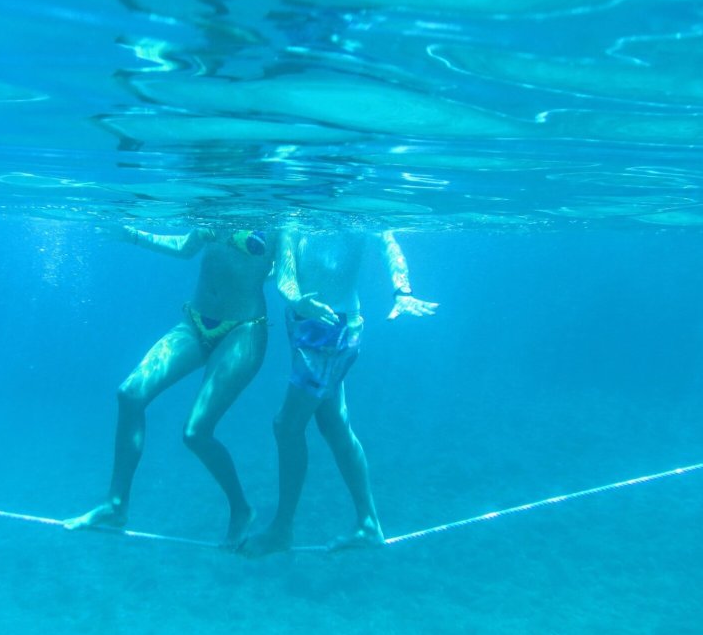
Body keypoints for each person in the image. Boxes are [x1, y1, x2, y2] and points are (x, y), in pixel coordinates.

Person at [65, 225, 274, 549]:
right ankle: (116, 505)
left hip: (244, 329)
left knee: (196, 432)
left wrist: (302, 300)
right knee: (130, 393)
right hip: (194, 320)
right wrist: (131, 235)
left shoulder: (275, 211)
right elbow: (185, 247)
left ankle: (241, 509)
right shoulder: (212, 199)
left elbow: (287, 271)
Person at [241, 227, 437, 556]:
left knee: (286, 426)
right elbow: (286, 275)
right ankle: (368, 523)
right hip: (302, 325)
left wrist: (402, 291)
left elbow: (387, 241)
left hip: (333, 330)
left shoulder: (355, 211)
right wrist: (295, 300)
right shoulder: (294, 212)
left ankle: (282, 529)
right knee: (333, 424)